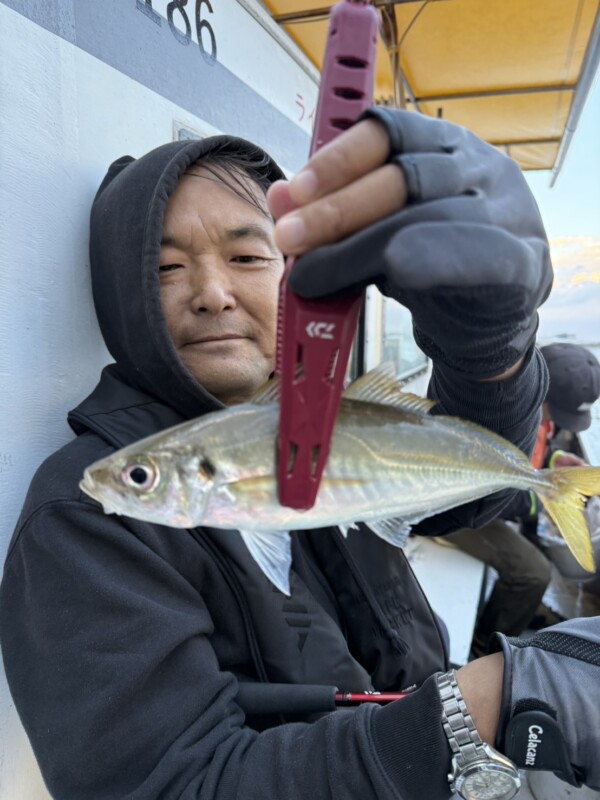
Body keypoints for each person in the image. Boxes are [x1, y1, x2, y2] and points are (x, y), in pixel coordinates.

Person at [1, 108, 599, 800]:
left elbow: (478, 495)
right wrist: (483, 706)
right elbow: (168, 784)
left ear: (292, 275)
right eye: (164, 268)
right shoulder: (81, 519)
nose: (213, 294)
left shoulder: (319, 414)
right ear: (120, 294)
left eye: (249, 257)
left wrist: (491, 347)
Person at [444, 343, 600, 655]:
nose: (554, 420)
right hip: (458, 507)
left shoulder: (540, 413)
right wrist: (542, 498)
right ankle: (482, 650)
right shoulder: (499, 416)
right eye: (555, 411)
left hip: (505, 496)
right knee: (533, 573)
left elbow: (536, 450)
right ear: (536, 387)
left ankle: (524, 614)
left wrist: (554, 459)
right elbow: (488, 489)